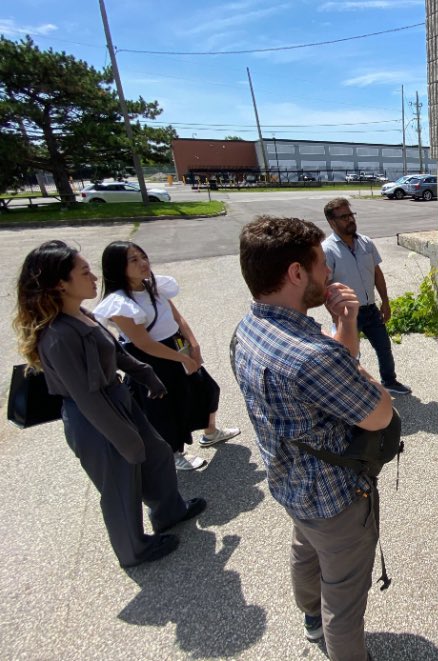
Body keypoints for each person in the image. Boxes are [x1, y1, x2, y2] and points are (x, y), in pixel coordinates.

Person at [232, 215, 393, 661]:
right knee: (343, 600)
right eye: (322, 264)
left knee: (306, 551)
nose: (330, 273)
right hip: (335, 496)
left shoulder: (247, 329)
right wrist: (357, 365)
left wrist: (346, 319)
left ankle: (308, 619)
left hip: (290, 482)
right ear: (296, 273)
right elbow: (379, 415)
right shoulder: (313, 356)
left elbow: (322, 380)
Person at [13, 240, 206, 568]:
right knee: (119, 482)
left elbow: (114, 352)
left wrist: (146, 374)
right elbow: (86, 397)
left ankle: (169, 511)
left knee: (157, 452)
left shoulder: (82, 314)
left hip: (118, 400)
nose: (94, 277)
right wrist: (124, 438)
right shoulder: (58, 336)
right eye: (84, 272)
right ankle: (133, 550)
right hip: (94, 418)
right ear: (61, 283)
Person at [94, 241, 240, 471]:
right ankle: (174, 453)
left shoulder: (154, 286)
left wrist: (194, 345)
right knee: (165, 409)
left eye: (143, 256)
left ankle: (210, 432)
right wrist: (183, 359)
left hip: (175, 346)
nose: (143, 263)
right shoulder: (120, 303)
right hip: (150, 359)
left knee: (207, 388)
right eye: (134, 260)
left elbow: (178, 318)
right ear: (117, 267)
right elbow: (143, 343)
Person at [322, 197, 411, 396]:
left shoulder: (365, 242)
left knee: (384, 347)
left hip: (371, 308)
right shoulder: (328, 249)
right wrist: (336, 317)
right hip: (347, 313)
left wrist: (386, 303)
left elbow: (377, 273)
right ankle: (353, 392)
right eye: (344, 217)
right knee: (349, 355)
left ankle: (389, 381)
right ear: (331, 221)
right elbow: (324, 286)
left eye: (351, 215)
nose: (350, 220)